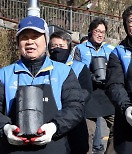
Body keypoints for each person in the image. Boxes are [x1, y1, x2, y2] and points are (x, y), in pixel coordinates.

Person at [0, 16, 85, 154]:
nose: (30, 41)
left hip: (54, 147)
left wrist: (54, 127)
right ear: (18, 42)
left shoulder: (64, 72)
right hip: (13, 149)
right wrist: (5, 128)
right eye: (24, 37)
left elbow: (76, 107)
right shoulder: (4, 74)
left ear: (46, 40)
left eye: (35, 36)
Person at [73, 17, 115, 154]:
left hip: (106, 95)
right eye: (97, 31)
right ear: (91, 31)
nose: (100, 34)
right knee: (88, 134)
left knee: (118, 127)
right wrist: (89, 75)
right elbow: (73, 69)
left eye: (103, 32)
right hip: (88, 94)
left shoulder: (111, 49)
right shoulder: (79, 48)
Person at [48, 30, 91, 153]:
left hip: (75, 121)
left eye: (61, 46)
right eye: (53, 46)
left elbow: (86, 92)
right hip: (50, 121)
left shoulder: (80, 67)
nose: (57, 49)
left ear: (69, 47)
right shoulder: (44, 68)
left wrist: (68, 103)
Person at [105, 5, 132, 154]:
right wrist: (126, 107)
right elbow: (114, 84)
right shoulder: (118, 52)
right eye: (131, 21)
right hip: (127, 117)